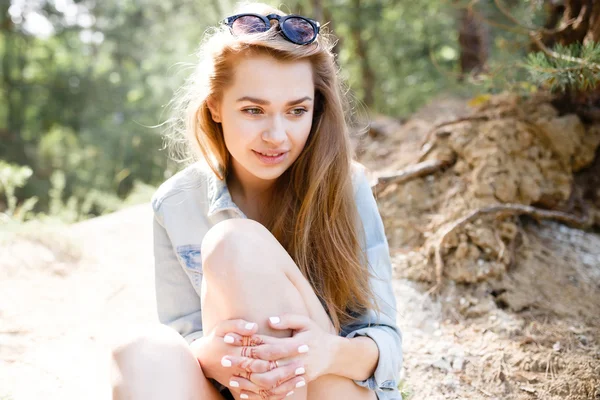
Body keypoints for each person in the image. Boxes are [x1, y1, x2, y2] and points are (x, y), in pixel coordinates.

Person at [110, 2, 402, 399]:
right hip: (240, 387)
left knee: (234, 245)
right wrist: (208, 353)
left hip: (328, 387)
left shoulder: (346, 188)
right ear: (214, 105)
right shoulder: (176, 204)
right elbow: (186, 335)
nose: (277, 136)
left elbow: (386, 342)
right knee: (139, 353)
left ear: (316, 110)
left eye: (297, 110)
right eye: (253, 110)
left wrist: (326, 352)